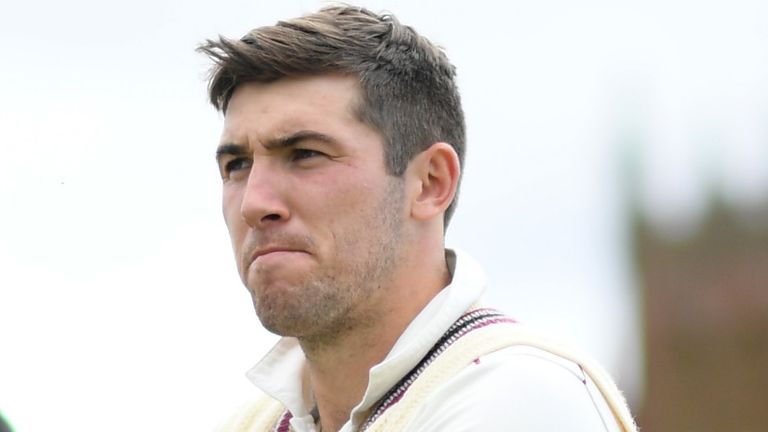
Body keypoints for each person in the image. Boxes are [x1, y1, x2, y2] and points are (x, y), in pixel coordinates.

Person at [198, 5, 637, 432]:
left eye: (305, 154)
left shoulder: (515, 401)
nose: (253, 203)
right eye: (237, 165)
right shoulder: (248, 424)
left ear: (429, 183)